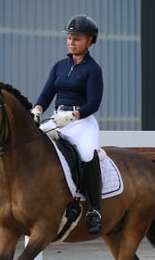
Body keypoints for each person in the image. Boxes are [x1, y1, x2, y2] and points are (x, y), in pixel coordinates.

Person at [31, 14, 104, 235]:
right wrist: (37, 110)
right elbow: (46, 94)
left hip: (81, 122)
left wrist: (74, 115)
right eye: (70, 38)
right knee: (32, 146)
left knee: (87, 153)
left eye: (77, 39)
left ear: (90, 40)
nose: (72, 42)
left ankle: (94, 211)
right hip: (57, 119)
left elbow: (94, 103)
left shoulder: (93, 70)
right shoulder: (59, 67)